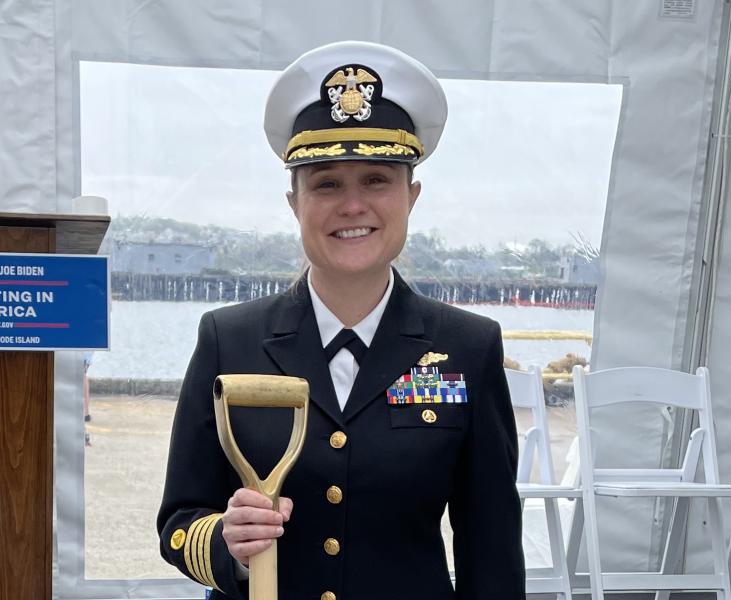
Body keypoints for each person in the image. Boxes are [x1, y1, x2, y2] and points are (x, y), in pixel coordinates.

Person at [157, 40, 524, 600]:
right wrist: (225, 543)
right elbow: (179, 521)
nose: (353, 206)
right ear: (294, 202)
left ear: (412, 195)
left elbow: (491, 545)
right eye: (326, 183)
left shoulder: (467, 347)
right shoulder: (228, 339)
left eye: (376, 179)